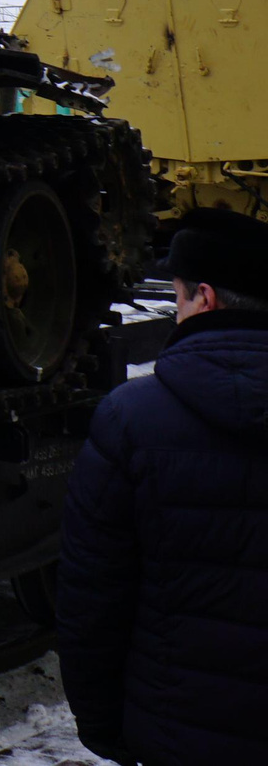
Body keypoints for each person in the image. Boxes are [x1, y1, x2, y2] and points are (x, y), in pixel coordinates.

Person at [58, 206, 268, 765]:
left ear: (205, 298)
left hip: (176, 738)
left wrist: (105, 728)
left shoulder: (131, 422)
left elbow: (91, 606)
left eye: (176, 299)